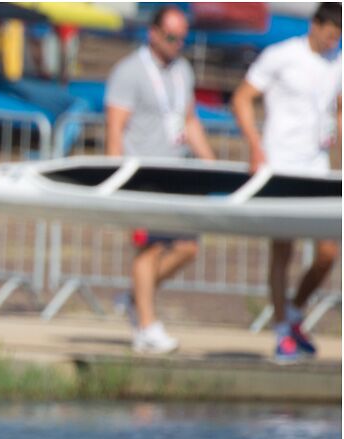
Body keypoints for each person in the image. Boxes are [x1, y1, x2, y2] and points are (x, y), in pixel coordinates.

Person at [231, 2, 342, 364]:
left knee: (328, 252)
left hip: (316, 165)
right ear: (317, 25)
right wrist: (254, 146)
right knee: (283, 249)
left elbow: (337, 106)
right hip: (280, 162)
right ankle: (281, 329)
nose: (333, 41)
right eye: (330, 33)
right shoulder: (282, 55)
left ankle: (294, 311)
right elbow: (243, 98)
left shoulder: (336, 63)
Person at [104, 5, 216, 354]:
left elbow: (188, 120)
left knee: (186, 248)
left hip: (176, 175)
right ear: (153, 33)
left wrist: (211, 162)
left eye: (183, 38)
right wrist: (113, 177)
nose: (177, 44)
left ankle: (136, 297)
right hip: (141, 176)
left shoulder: (182, 70)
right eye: (171, 37)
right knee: (148, 249)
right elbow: (115, 128)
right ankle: (147, 329)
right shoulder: (129, 71)